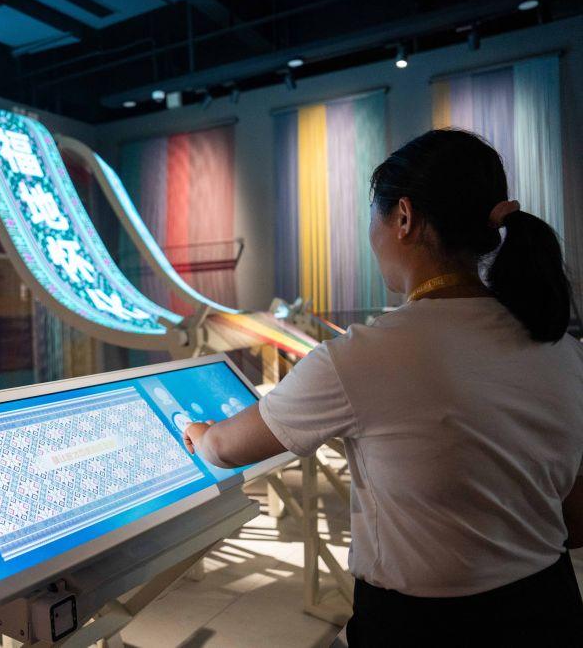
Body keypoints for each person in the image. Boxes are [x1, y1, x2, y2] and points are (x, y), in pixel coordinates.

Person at [183, 129, 583, 646]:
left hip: (424, 628)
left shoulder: (361, 356)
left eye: (373, 216)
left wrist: (197, 430)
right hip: (552, 609)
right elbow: (576, 520)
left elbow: (226, 449)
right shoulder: (561, 347)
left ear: (404, 217)